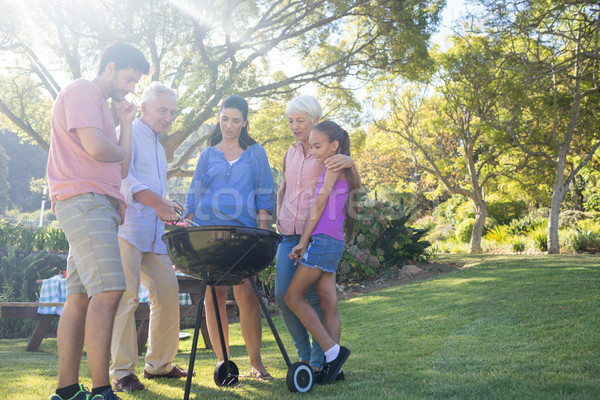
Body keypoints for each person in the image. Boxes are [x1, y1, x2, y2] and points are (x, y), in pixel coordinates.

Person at [46, 41, 150, 400]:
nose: (130, 87)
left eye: (135, 82)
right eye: (128, 78)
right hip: (84, 201)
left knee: (79, 298)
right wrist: (118, 145)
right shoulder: (83, 90)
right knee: (109, 290)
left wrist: (125, 123)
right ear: (109, 67)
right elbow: (97, 148)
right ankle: (102, 389)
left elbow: (121, 167)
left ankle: (67, 391)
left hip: (97, 205)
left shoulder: (105, 109)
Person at [184, 95, 275, 381]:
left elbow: (265, 195)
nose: (229, 126)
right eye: (225, 119)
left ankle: (257, 364)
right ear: (219, 118)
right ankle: (224, 365)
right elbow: (193, 197)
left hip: (244, 234)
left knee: (246, 292)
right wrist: (188, 229)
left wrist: (262, 233)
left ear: (245, 122)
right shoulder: (208, 154)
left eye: (236, 120)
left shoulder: (256, 152)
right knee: (214, 296)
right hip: (207, 231)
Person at [109, 82, 192, 392]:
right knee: (126, 298)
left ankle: (159, 365)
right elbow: (123, 179)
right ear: (143, 108)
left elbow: (155, 190)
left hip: (154, 234)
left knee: (169, 292)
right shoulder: (124, 132)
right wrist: (157, 202)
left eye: (172, 112)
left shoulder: (158, 146)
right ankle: (121, 373)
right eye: (163, 110)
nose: (169, 117)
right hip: (127, 230)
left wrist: (167, 203)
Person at [275, 95, 356, 377]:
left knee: (302, 298)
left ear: (315, 120)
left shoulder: (328, 156)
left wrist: (348, 159)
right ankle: (320, 360)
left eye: (300, 120)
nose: (294, 126)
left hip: (316, 236)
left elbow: (322, 201)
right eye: (290, 121)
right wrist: (277, 215)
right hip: (292, 233)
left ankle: (326, 358)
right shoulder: (291, 153)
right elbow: (284, 188)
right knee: (306, 298)